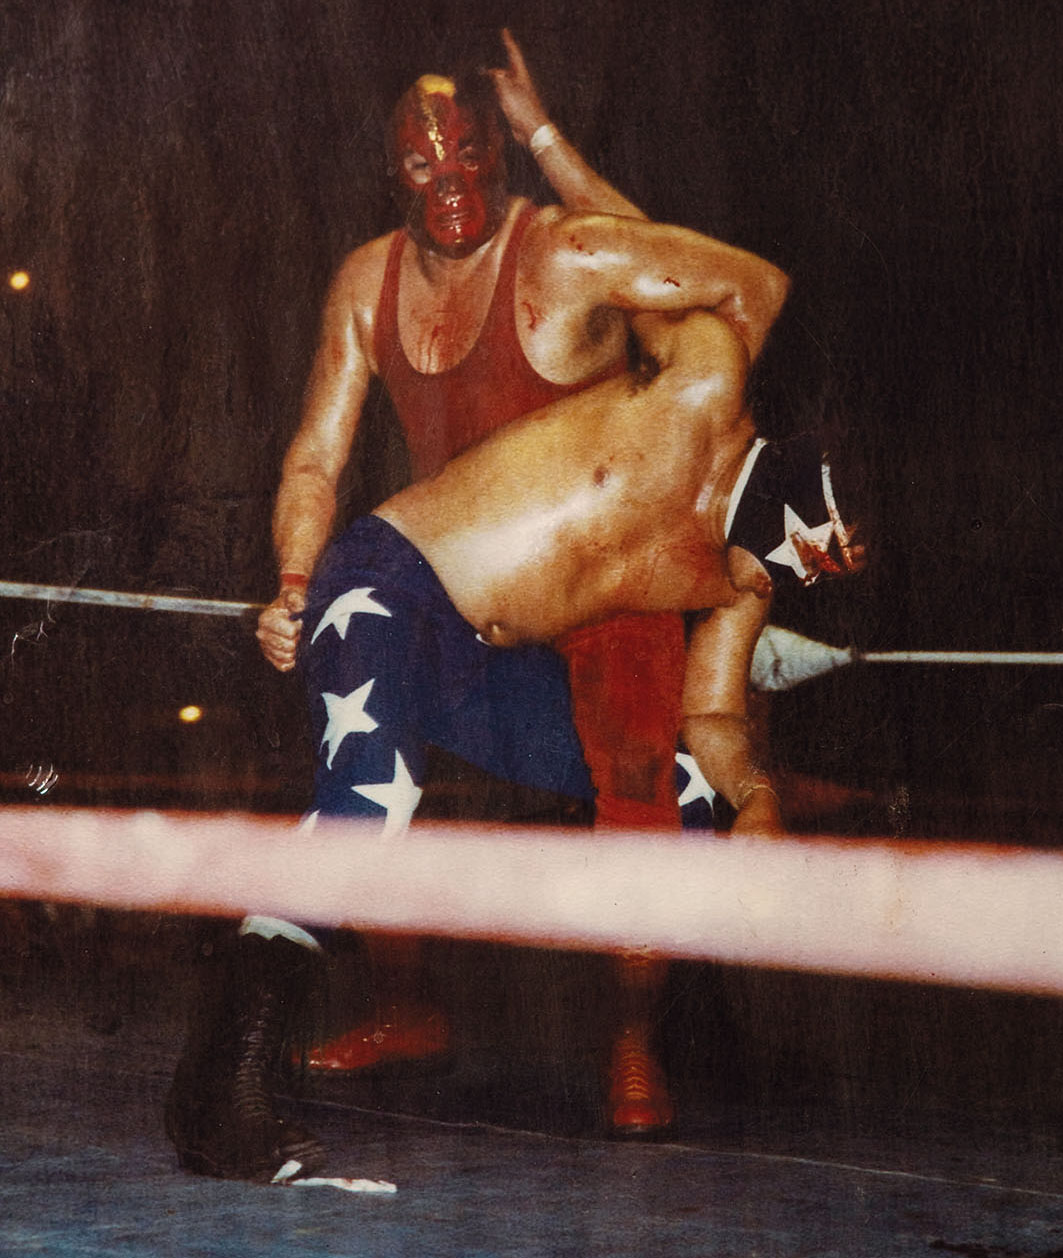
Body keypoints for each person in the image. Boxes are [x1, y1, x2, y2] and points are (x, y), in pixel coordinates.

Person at [166, 299, 865, 1183]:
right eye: (815, 552)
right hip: (394, 586)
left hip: (483, 667)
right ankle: (217, 1086)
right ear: (794, 492)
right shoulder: (675, 423)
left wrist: (757, 799)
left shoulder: (739, 583)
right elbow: (678, 281)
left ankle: (665, 1029)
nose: (799, 577)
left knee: (685, 789)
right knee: (372, 795)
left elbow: (714, 718)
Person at [253, 31, 789, 1136]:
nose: (449, 186)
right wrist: (295, 580)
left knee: (644, 772)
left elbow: (705, 281)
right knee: (363, 730)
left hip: (607, 580)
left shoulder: (560, 253)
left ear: (498, 161)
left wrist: (550, 138)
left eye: (470, 162)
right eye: (422, 167)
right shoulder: (366, 281)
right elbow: (317, 452)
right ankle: (406, 1007)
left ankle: (635, 1042)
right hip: (457, 579)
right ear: (388, 169)